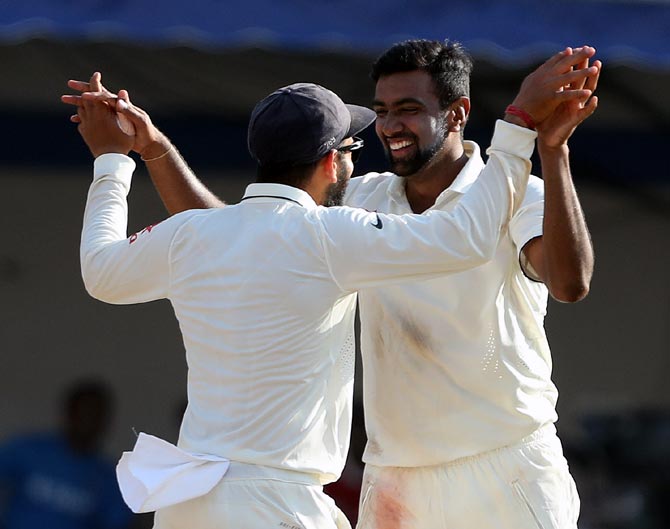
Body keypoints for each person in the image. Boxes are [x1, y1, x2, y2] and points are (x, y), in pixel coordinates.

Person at [64, 47, 596, 529]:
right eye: (380, 112)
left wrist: (552, 152)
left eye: (407, 108)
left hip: (504, 460)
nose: (389, 127)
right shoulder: (355, 205)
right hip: (396, 475)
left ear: (456, 113)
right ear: (330, 160)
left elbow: (570, 284)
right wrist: (156, 151)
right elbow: (256, 237)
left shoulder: (515, 190)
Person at [0, 379, 131, 529]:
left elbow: (119, 521)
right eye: (83, 413)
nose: (88, 421)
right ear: (69, 413)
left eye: (96, 415)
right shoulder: (28, 449)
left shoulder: (110, 477)